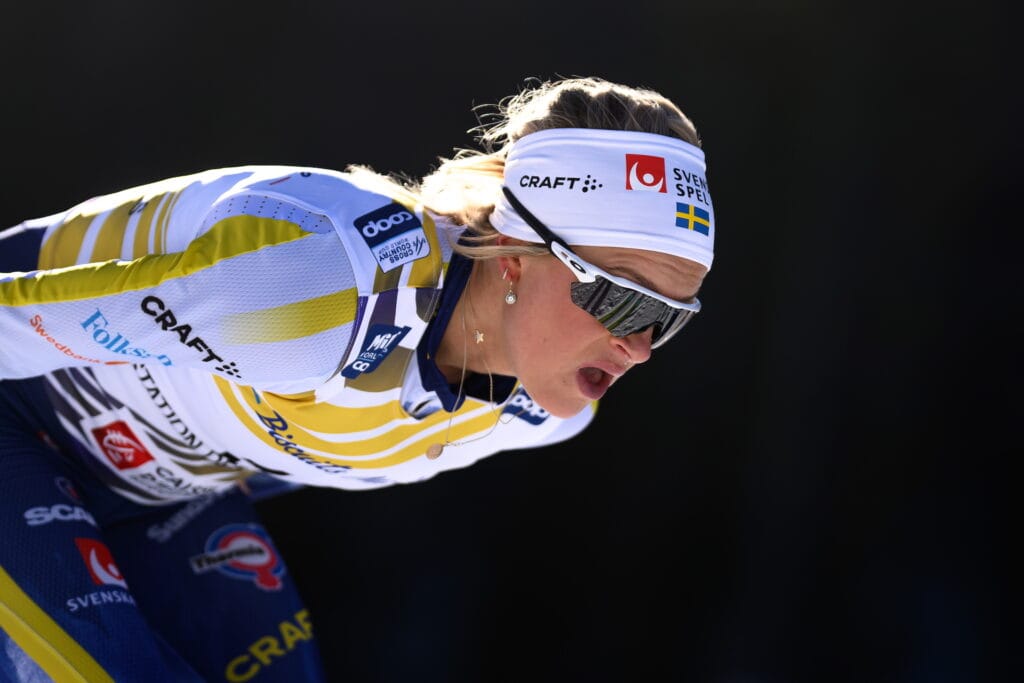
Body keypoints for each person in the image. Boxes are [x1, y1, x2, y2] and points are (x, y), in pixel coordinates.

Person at [0, 75, 715, 681]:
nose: (641, 346)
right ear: (515, 250)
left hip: (159, 493)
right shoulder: (317, 285)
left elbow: (305, 439)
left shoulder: (544, 412)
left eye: (671, 317)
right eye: (621, 296)